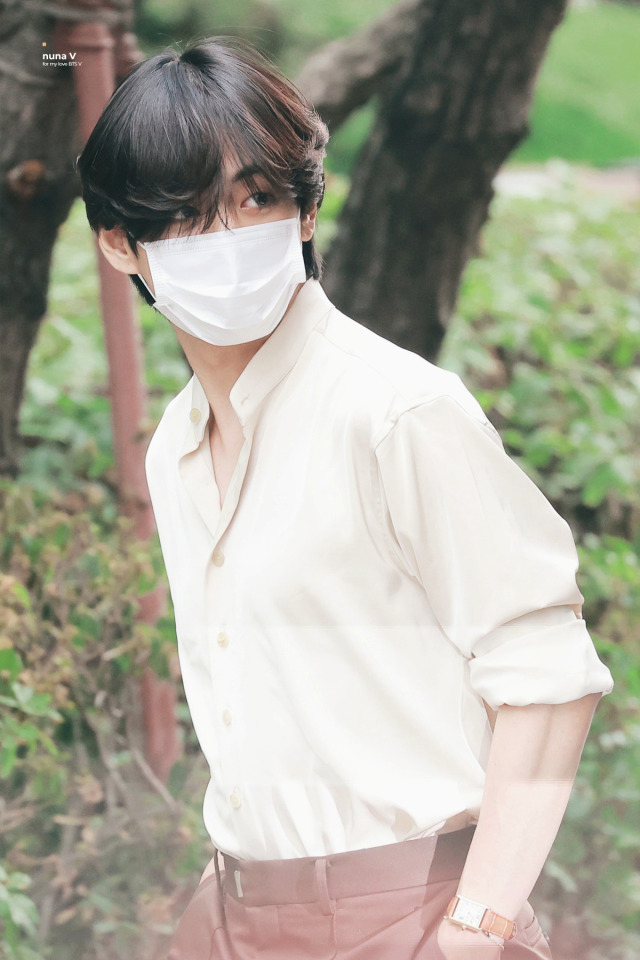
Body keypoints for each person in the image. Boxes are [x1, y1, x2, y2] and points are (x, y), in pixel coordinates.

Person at [76, 36, 614, 960]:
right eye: (188, 215)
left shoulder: (396, 412)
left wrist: (476, 926)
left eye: (258, 198)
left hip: (413, 914)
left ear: (308, 211)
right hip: (239, 912)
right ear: (121, 245)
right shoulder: (177, 447)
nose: (231, 238)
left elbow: (546, 671)